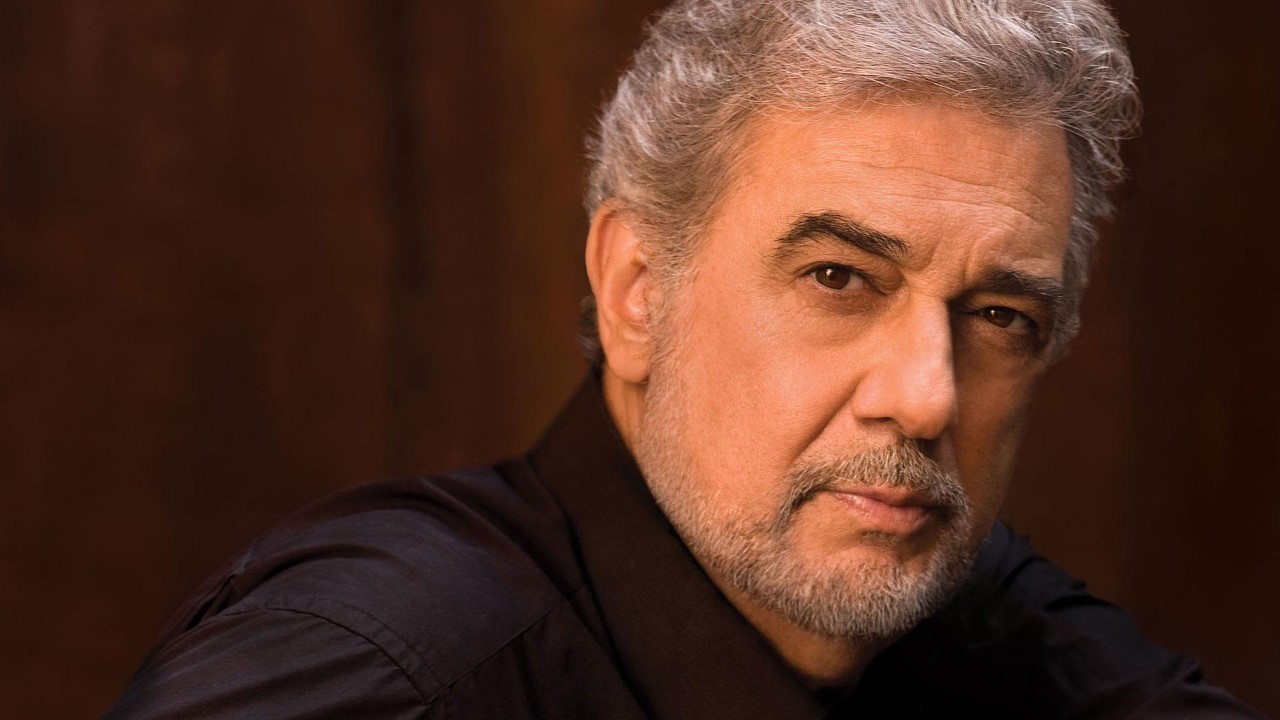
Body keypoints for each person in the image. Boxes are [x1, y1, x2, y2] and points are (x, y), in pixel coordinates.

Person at [105, 1, 1265, 718]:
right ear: (635, 289)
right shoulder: (383, 673)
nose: (925, 397)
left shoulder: (966, 613)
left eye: (998, 315)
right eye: (837, 278)